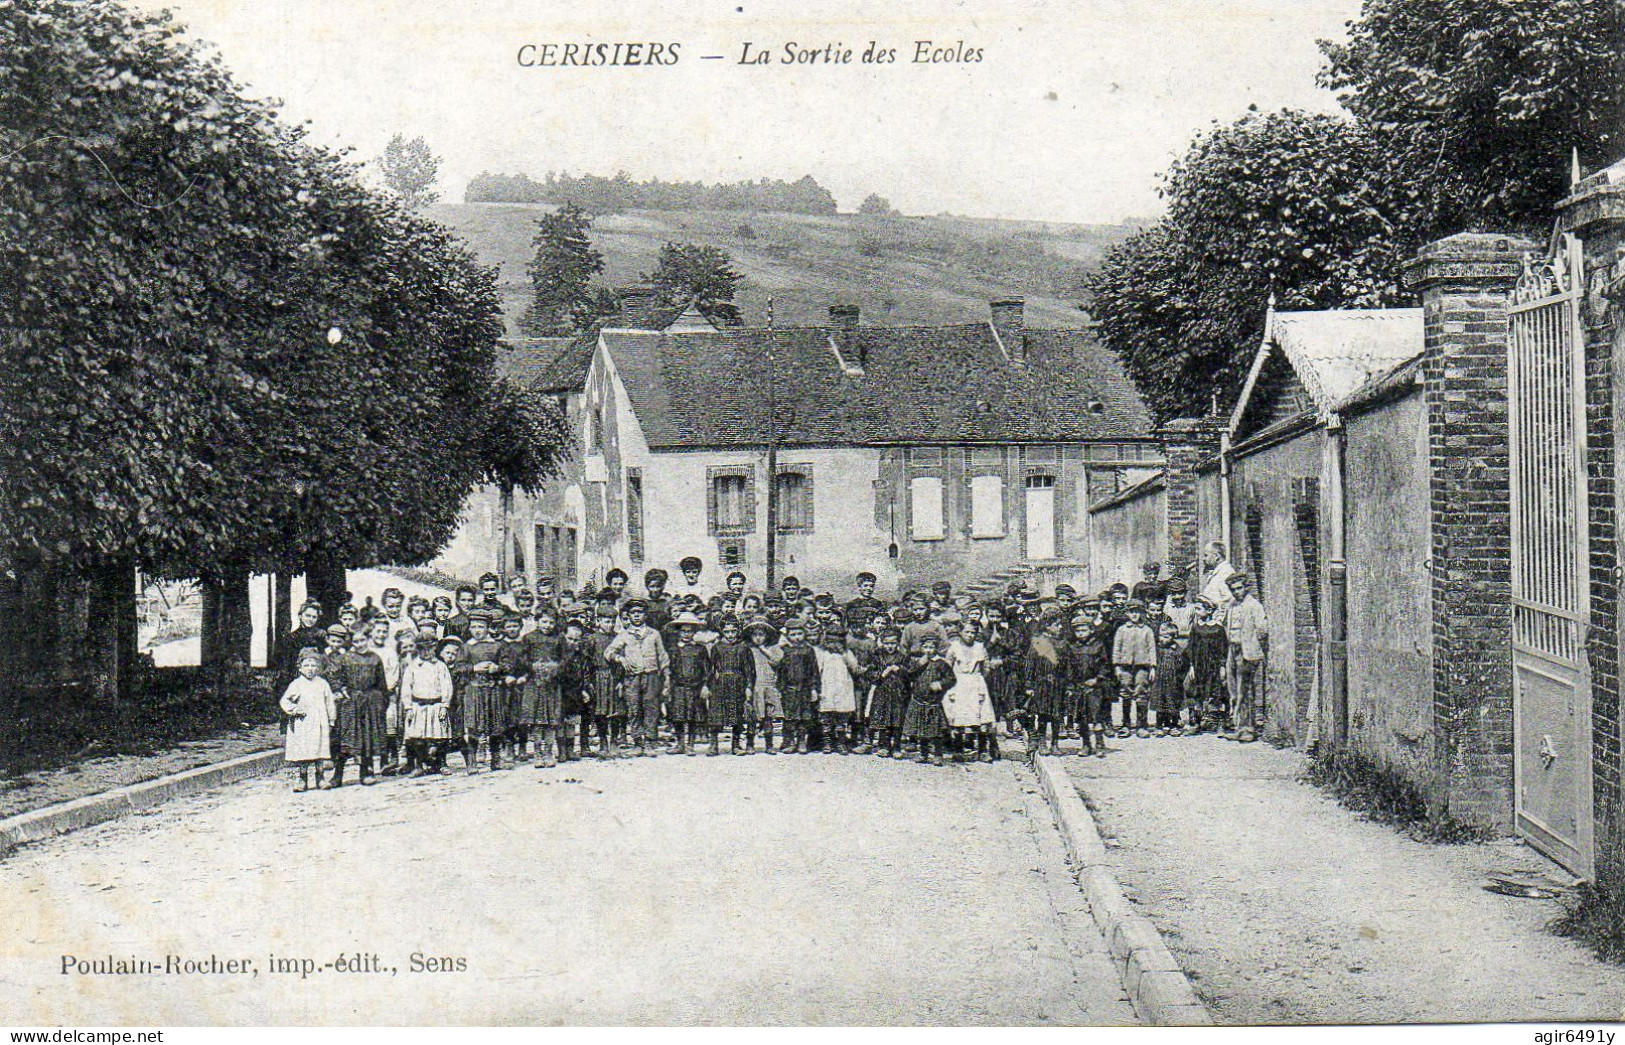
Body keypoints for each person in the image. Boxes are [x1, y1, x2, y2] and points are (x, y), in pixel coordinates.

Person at [605, 598, 669, 757]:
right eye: (633, 613)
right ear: (628, 615)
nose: (636, 616)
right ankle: (637, 742)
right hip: (632, 678)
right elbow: (608, 652)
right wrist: (620, 659)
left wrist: (666, 677)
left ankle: (649, 742)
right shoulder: (624, 635)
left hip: (651, 676)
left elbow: (662, 657)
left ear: (645, 615)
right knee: (634, 709)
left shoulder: (654, 634)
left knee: (651, 708)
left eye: (640, 613)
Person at [327, 626, 388, 787]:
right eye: (356, 641)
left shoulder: (375, 658)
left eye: (362, 640)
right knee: (346, 738)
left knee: (366, 738)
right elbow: (334, 676)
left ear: (368, 639)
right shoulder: (345, 658)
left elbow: (381, 682)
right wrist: (340, 689)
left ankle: (366, 773)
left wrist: (382, 702)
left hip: (369, 702)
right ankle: (337, 776)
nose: (359, 644)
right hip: (351, 702)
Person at [461, 611, 511, 772]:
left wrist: (498, 668)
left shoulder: (497, 646)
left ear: (488, 627)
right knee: (474, 726)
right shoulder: (467, 646)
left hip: (493, 689)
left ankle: (495, 758)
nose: (477, 630)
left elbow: (507, 665)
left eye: (481, 627)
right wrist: (473, 668)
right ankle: (472, 760)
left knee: (495, 725)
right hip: (474, 691)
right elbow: (458, 668)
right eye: (473, 626)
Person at [281, 649, 336, 792]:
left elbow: (330, 702)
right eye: (306, 665)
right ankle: (302, 779)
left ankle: (320, 778)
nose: (310, 669)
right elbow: (284, 701)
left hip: (319, 722)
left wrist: (331, 720)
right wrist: (294, 709)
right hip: (303, 723)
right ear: (300, 667)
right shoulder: (297, 684)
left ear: (319, 667)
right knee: (304, 751)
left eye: (313, 665)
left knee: (319, 750)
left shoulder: (323, 684)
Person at [400, 632, 455, 776]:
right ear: (418, 649)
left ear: (434, 648)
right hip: (418, 706)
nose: (426, 652)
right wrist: (408, 707)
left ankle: (441, 763)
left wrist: (445, 705)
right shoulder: (412, 666)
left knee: (440, 737)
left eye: (429, 648)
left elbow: (446, 686)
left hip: (436, 706)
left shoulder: (441, 666)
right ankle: (418, 766)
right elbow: (406, 687)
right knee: (417, 737)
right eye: (422, 649)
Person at [944, 618, 997, 762]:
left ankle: (983, 750)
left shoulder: (980, 648)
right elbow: (947, 668)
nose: (970, 635)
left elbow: (986, 668)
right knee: (958, 717)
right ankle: (958, 750)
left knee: (982, 717)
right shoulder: (953, 648)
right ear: (960, 632)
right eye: (966, 632)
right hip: (958, 683)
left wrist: (978, 679)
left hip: (976, 682)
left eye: (973, 632)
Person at [1225, 572, 1268, 742]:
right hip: (1233, 649)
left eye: (1239, 588)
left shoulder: (1254, 606)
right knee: (1234, 689)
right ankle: (1239, 726)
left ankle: (1248, 729)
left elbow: (1263, 630)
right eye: (1233, 589)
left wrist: (1254, 648)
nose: (1236, 592)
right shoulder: (1232, 604)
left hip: (1246, 651)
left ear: (1246, 588)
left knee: (1246, 690)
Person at [518, 607, 563, 767]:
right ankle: (537, 752)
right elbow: (522, 659)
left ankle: (549, 751)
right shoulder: (528, 638)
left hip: (552, 685)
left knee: (551, 720)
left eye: (552, 622)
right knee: (537, 720)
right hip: (534, 684)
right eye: (544, 621)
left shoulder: (559, 639)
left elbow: (564, 659)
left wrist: (555, 667)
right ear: (537, 621)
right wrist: (533, 666)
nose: (548, 625)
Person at [707, 615, 757, 755]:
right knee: (716, 714)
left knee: (737, 714)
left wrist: (748, 687)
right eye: (727, 631)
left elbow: (750, 671)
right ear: (722, 631)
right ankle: (713, 745)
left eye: (733, 631)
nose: (730, 634)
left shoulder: (743, 648)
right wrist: (708, 685)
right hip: (720, 683)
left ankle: (736, 745)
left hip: (738, 683)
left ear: (738, 630)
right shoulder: (717, 647)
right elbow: (711, 668)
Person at [1023, 615, 1069, 756]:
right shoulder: (1038, 642)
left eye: (1060, 624)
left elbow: (1068, 665)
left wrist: (1069, 685)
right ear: (1047, 626)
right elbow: (1029, 664)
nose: (1060, 627)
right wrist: (1029, 685)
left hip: (1058, 684)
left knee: (1057, 714)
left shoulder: (1062, 643)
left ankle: (1055, 744)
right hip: (1042, 683)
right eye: (1056, 624)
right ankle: (1042, 742)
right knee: (1043, 714)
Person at [666, 611, 710, 756]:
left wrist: (705, 685)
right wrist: (667, 685)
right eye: (683, 631)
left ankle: (690, 745)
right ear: (678, 632)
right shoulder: (673, 649)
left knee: (692, 716)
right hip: (678, 686)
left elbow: (707, 669)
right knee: (678, 716)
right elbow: (669, 668)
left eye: (690, 631)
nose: (686, 634)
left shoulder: (700, 649)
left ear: (694, 632)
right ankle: (680, 744)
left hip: (695, 687)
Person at [904, 633, 952, 766]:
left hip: (933, 702)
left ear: (936, 648)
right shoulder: (919, 662)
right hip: (919, 700)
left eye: (931, 647)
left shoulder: (941, 663)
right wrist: (919, 663)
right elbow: (909, 674)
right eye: (926, 647)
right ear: (922, 648)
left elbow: (951, 678)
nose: (929, 650)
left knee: (935, 731)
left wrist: (940, 684)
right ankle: (923, 754)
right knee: (921, 730)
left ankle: (938, 754)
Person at [1113, 599, 1158, 738]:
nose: (1134, 615)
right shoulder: (1121, 630)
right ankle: (1126, 724)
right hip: (1125, 666)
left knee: (1141, 692)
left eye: (1137, 612)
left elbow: (1152, 649)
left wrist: (1153, 667)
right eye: (1131, 612)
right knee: (1125, 692)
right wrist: (1117, 666)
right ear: (1126, 613)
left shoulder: (1147, 630)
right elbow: (1117, 648)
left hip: (1142, 666)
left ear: (1142, 613)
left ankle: (1141, 725)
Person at [1066, 606, 1108, 757]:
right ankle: (1086, 745)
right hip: (1079, 687)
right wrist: (1070, 685)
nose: (1080, 633)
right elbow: (1069, 668)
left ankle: (1100, 745)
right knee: (1082, 718)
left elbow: (1104, 666)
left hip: (1094, 688)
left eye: (1083, 630)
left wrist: (1096, 679)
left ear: (1091, 630)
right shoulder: (1072, 648)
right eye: (1077, 631)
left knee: (1096, 717)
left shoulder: (1098, 646)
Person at [814, 624, 862, 755]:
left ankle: (840, 743)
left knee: (842, 717)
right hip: (827, 688)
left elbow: (855, 668)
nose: (834, 643)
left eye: (838, 640)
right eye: (831, 640)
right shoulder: (822, 653)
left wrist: (847, 656)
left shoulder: (846, 653)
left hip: (843, 688)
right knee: (826, 717)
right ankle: (827, 743)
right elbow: (817, 671)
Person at [865, 626, 911, 758]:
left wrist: (900, 669)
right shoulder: (877, 656)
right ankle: (883, 745)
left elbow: (910, 672)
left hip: (898, 691)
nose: (889, 646)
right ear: (882, 642)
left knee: (897, 718)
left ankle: (896, 746)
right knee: (883, 717)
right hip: (882, 691)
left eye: (893, 643)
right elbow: (870, 672)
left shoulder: (903, 656)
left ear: (897, 643)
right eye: (887, 643)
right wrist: (882, 673)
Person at [776, 620, 820, 754]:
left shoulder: (808, 650)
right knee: (789, 716)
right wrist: (780, 688)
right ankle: (789, 741)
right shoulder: (785, 651)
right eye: (793, 634)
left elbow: (814, 671)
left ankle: (801, 740)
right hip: (789, 689)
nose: (797, 637)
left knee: (804, 716)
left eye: (800, 633)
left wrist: (813, 689)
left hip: (805, 689)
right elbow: (781, 671)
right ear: (788, 635)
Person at [587, 606, 626, 758]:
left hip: (614, 677)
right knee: (600, 712)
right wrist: (588, 681)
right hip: (598, 678)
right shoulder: (592, 639)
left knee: (615, 712)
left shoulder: (618, 638)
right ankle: (603, 742)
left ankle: (614, 741)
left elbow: (623, 660)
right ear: (598, 621)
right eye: (606, 621)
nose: (609, 625)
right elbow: (587, 662)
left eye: (612, 622)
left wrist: (621, 680)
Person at [1186, 597, 1229, 733]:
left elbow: (1223, 649)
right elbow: (1191, 648)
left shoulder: (1218, 628)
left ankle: (1219, 723)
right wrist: (1191, 666)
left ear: (1209, 610)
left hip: (1214, 666)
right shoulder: (1196, 628)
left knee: (1216, 692)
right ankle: (1196, 723)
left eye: (1199, 609)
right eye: (1196, 609)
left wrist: (1222, 667)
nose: (1197, 612)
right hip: (1199, 666)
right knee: (1197, 692)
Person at [746, 617, 784, 755]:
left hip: (769, 686)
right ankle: (750, 744)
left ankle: (769, 744)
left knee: (768, 717)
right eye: (754, 635)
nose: (757, 638)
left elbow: (778, 661)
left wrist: (764, 650)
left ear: (767, 635)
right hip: (755, 687)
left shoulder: (773, 649)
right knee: (752, 717)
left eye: (761, 634)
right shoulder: (748, 650)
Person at [557, 617, 592, 762]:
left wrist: (584, 689)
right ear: (564, 636)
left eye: (576, 640)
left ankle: (571, 749)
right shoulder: (558, 653)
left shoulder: (581, 656)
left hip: (574, 691)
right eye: (570, 639)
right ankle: (561, 750)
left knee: (571, 720)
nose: (573, 642)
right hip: (560, 691)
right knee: (559, 720)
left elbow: (585, 674)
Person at [1153, 620, 1188, 736]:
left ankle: (1173, 725)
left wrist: (1179, 676)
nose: (1162, 639)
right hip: (1160, 681)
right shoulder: (1157, 649)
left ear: (1173, 637)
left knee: (1172, 703)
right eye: (1161, 636)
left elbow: (1183, 664)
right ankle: (1160, 725)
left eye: (1166, 637)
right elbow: (1153, 662)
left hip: (1173, 682)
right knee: (1160, 703)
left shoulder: (1177, 649)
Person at [1199, 540, 1236, 622]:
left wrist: (1217, 623)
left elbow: (1229, 603)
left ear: (1216, 556)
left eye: (1206, 555)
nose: (1203, 559)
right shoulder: (1217, 573)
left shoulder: (1226, 573)